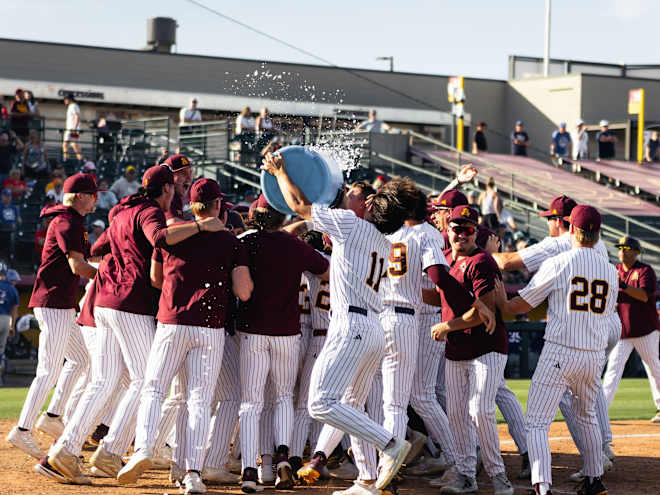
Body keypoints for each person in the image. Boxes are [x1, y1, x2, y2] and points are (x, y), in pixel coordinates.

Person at [47, 165, 226, 485]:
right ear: (167, 190)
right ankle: (111, 450)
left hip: (104, 301)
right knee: (146, 381)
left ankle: (66, 449)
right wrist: (200, 228)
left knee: (105, 381)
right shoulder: (147, 212)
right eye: (172, 188)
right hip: (129, 304)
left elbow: (98, 249)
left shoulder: (122, 210)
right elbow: (159, 236)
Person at [262, 152, 412, 493]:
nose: (357, 195)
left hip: (352, 326)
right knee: (352, 405)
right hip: (372, 326)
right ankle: (367, 480)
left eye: (367, 196)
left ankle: (390, 444)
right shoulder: (383, 241)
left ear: (372, 207)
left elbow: (300, 205)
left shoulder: (352, 225)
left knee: (320, 403)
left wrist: (279, 171)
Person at [118, 178, 253, 494]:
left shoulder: (175, 232)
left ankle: (145, 448)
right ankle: (192, 472)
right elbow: (243, 291)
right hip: (210, 327)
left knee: (155, 388)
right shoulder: (232, 242)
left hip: (172, 320)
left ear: (192, 205)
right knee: (199, 400)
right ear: (218, 205)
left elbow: (154, 278)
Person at [492, 205, 618, 495]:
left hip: (560, 350)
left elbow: (516, 307)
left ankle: (542, 486)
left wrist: (499, 295)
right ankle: (594, 481)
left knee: (536, 423)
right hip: (592, 354)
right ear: (598, 235)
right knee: (586, 417)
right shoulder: (611, 272)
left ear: (571, 229)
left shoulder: (559, 262)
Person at [236, 194, 329, 492]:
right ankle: (283, 456)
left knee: (251, 403)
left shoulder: (246, 243)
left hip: (253, 329)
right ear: (281, 217)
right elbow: (324, 270)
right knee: (283, 398)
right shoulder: (295, 245)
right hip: (288, 332)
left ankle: (250, 470)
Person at [5, 174, 98, 461]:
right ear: (81, 196)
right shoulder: (68, 222)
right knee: (47, 371)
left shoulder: (72, 220)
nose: (96, 198)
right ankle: (22, 429)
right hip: (54, 303)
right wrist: (112, 275)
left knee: (83, 359)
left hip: (61, 304)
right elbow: (77, 266)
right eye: (93, 193)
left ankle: (54, 414)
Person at [426, 205, 514, 495]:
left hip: (486, 345)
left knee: (480, 410)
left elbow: (483, 312)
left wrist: (446, 327)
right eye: (456, 227)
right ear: (448, 229)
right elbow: (440, 296)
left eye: (468, 229)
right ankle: (465, 474)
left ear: (476, 231)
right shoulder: (445, 258)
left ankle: (498, 474)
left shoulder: (482, 261)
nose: (461, 233)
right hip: (457, 348)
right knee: (457, 415)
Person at [602, 236, 660, 423]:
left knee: (654, 369)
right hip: (623, 331)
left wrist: (623, 286)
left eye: (627, 248)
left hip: (646, 330)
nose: (622, 251)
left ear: (636, 252)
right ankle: (601, 412)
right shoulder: (614, 270)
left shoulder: (645, 270)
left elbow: (644, 296)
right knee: (613, 370)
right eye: (620, 248)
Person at [0, 261, 19, 376]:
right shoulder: (12, 288)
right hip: (6, 320)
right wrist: (12, 326)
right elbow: (15, 310)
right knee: (1, 350)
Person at [62, 93, 83, 161]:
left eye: (66, 99)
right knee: (68, 145)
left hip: (73, 129)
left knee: (73, 145)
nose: (65, 101)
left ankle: (79, 160)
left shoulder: (73, 106)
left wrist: (74, 128)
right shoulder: (71, 106)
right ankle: (67, 159)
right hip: (71, 129)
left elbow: (77, 116)